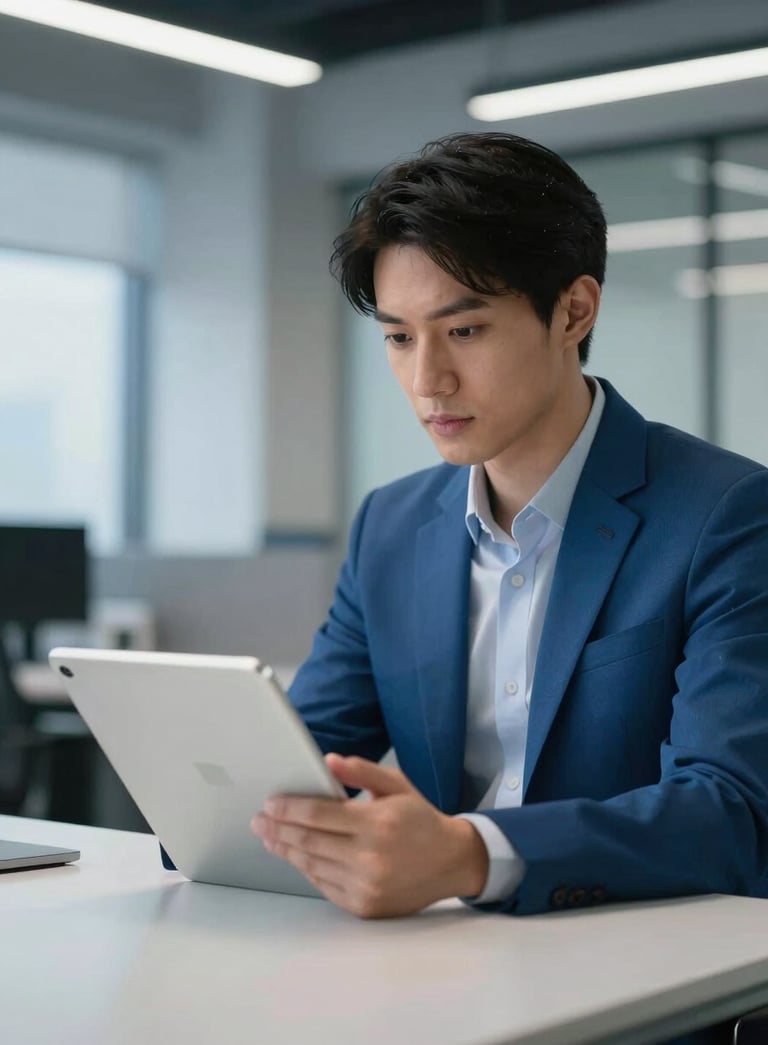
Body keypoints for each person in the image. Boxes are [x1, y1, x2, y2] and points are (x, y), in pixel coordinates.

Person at [251, 134, 768, 939]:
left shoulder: (727, 511)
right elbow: (297, 758)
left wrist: (468, 853)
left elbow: (733, 810)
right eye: (398, 337)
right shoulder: (391, 524)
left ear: (574, 310)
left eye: (464, 331)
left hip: (637, 961)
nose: (427, 381)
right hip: (442, 960)